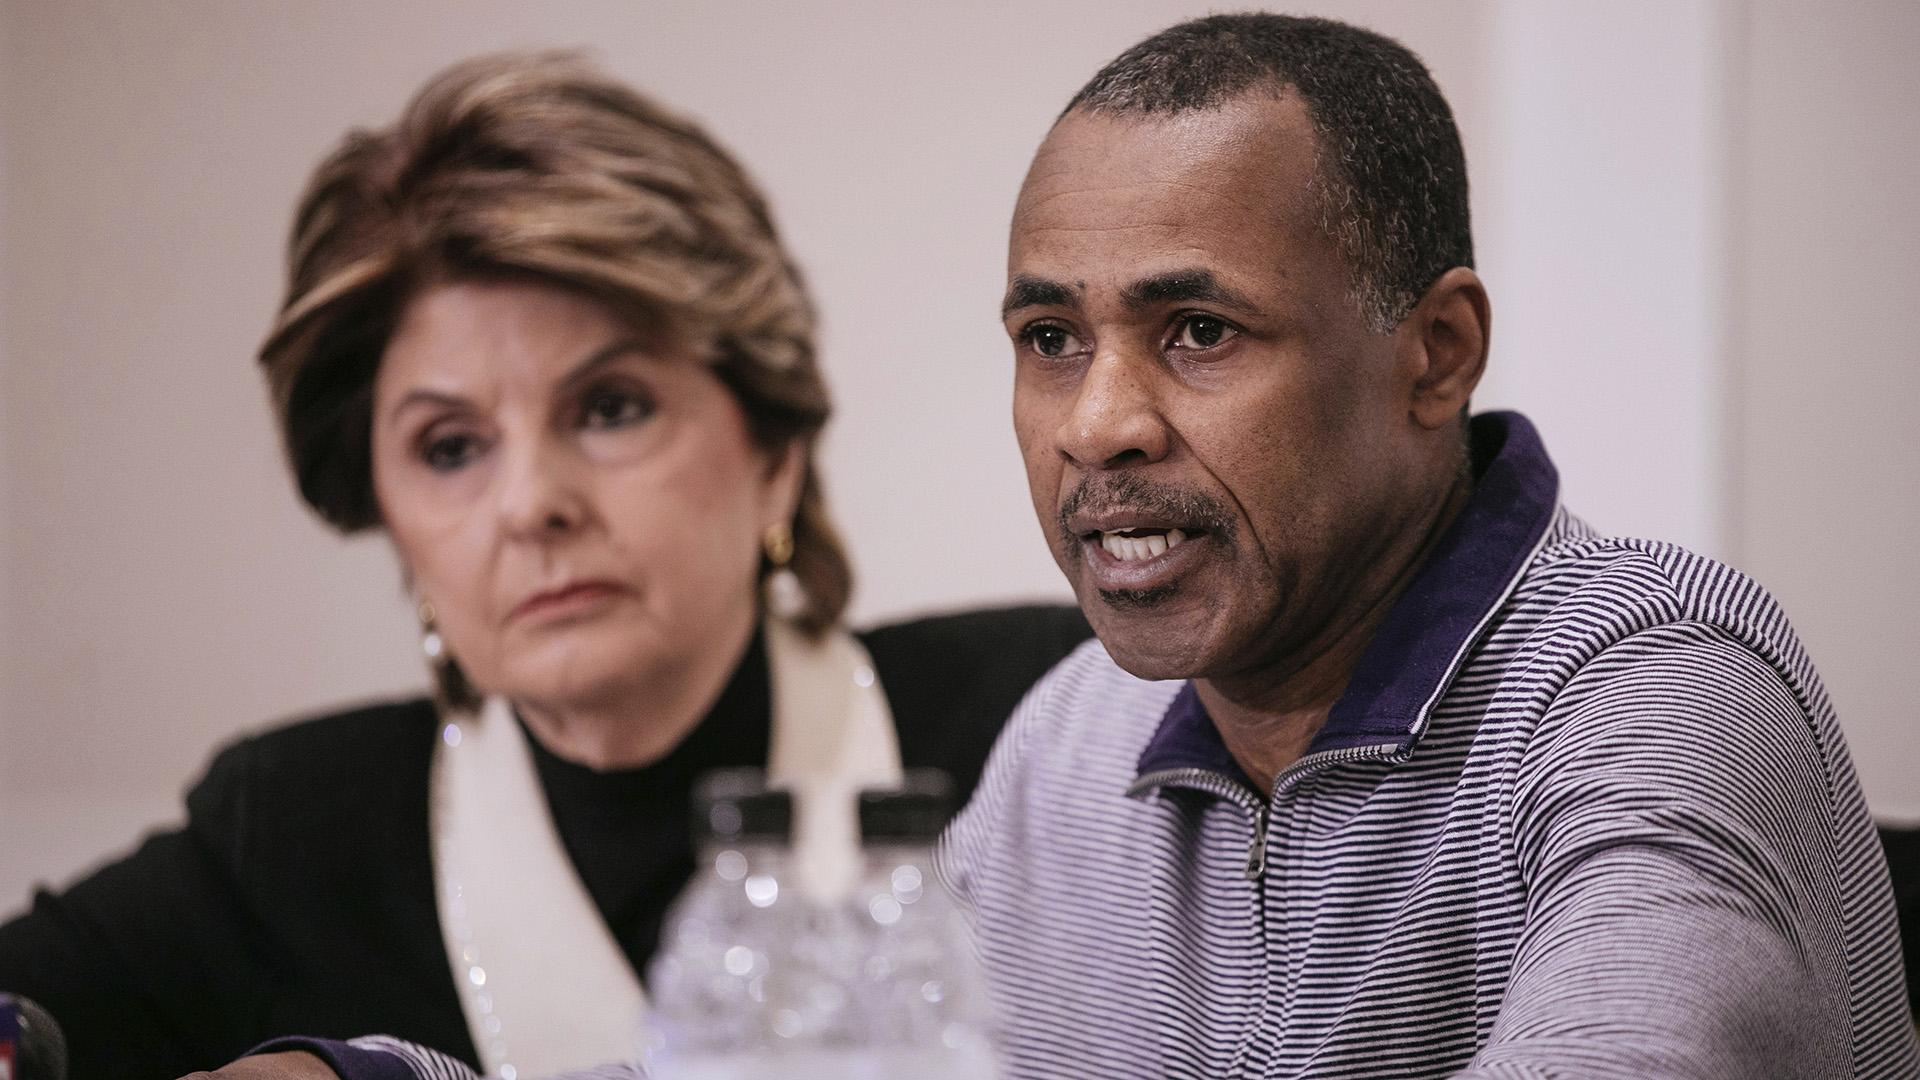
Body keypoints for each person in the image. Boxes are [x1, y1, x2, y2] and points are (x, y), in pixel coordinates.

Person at [179, 13, 1920, 1080]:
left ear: (1434, 353)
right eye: (1047, 338)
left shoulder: (1661, 680)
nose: (1097, 424)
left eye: (1199, 331)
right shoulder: (1071, 744)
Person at [0, 51, 1089, 1080]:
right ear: (384, 508)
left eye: (609, 409)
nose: (532, 506)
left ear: (774, 454)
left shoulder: (1053, 721)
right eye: (450, 447)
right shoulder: (289, 834)